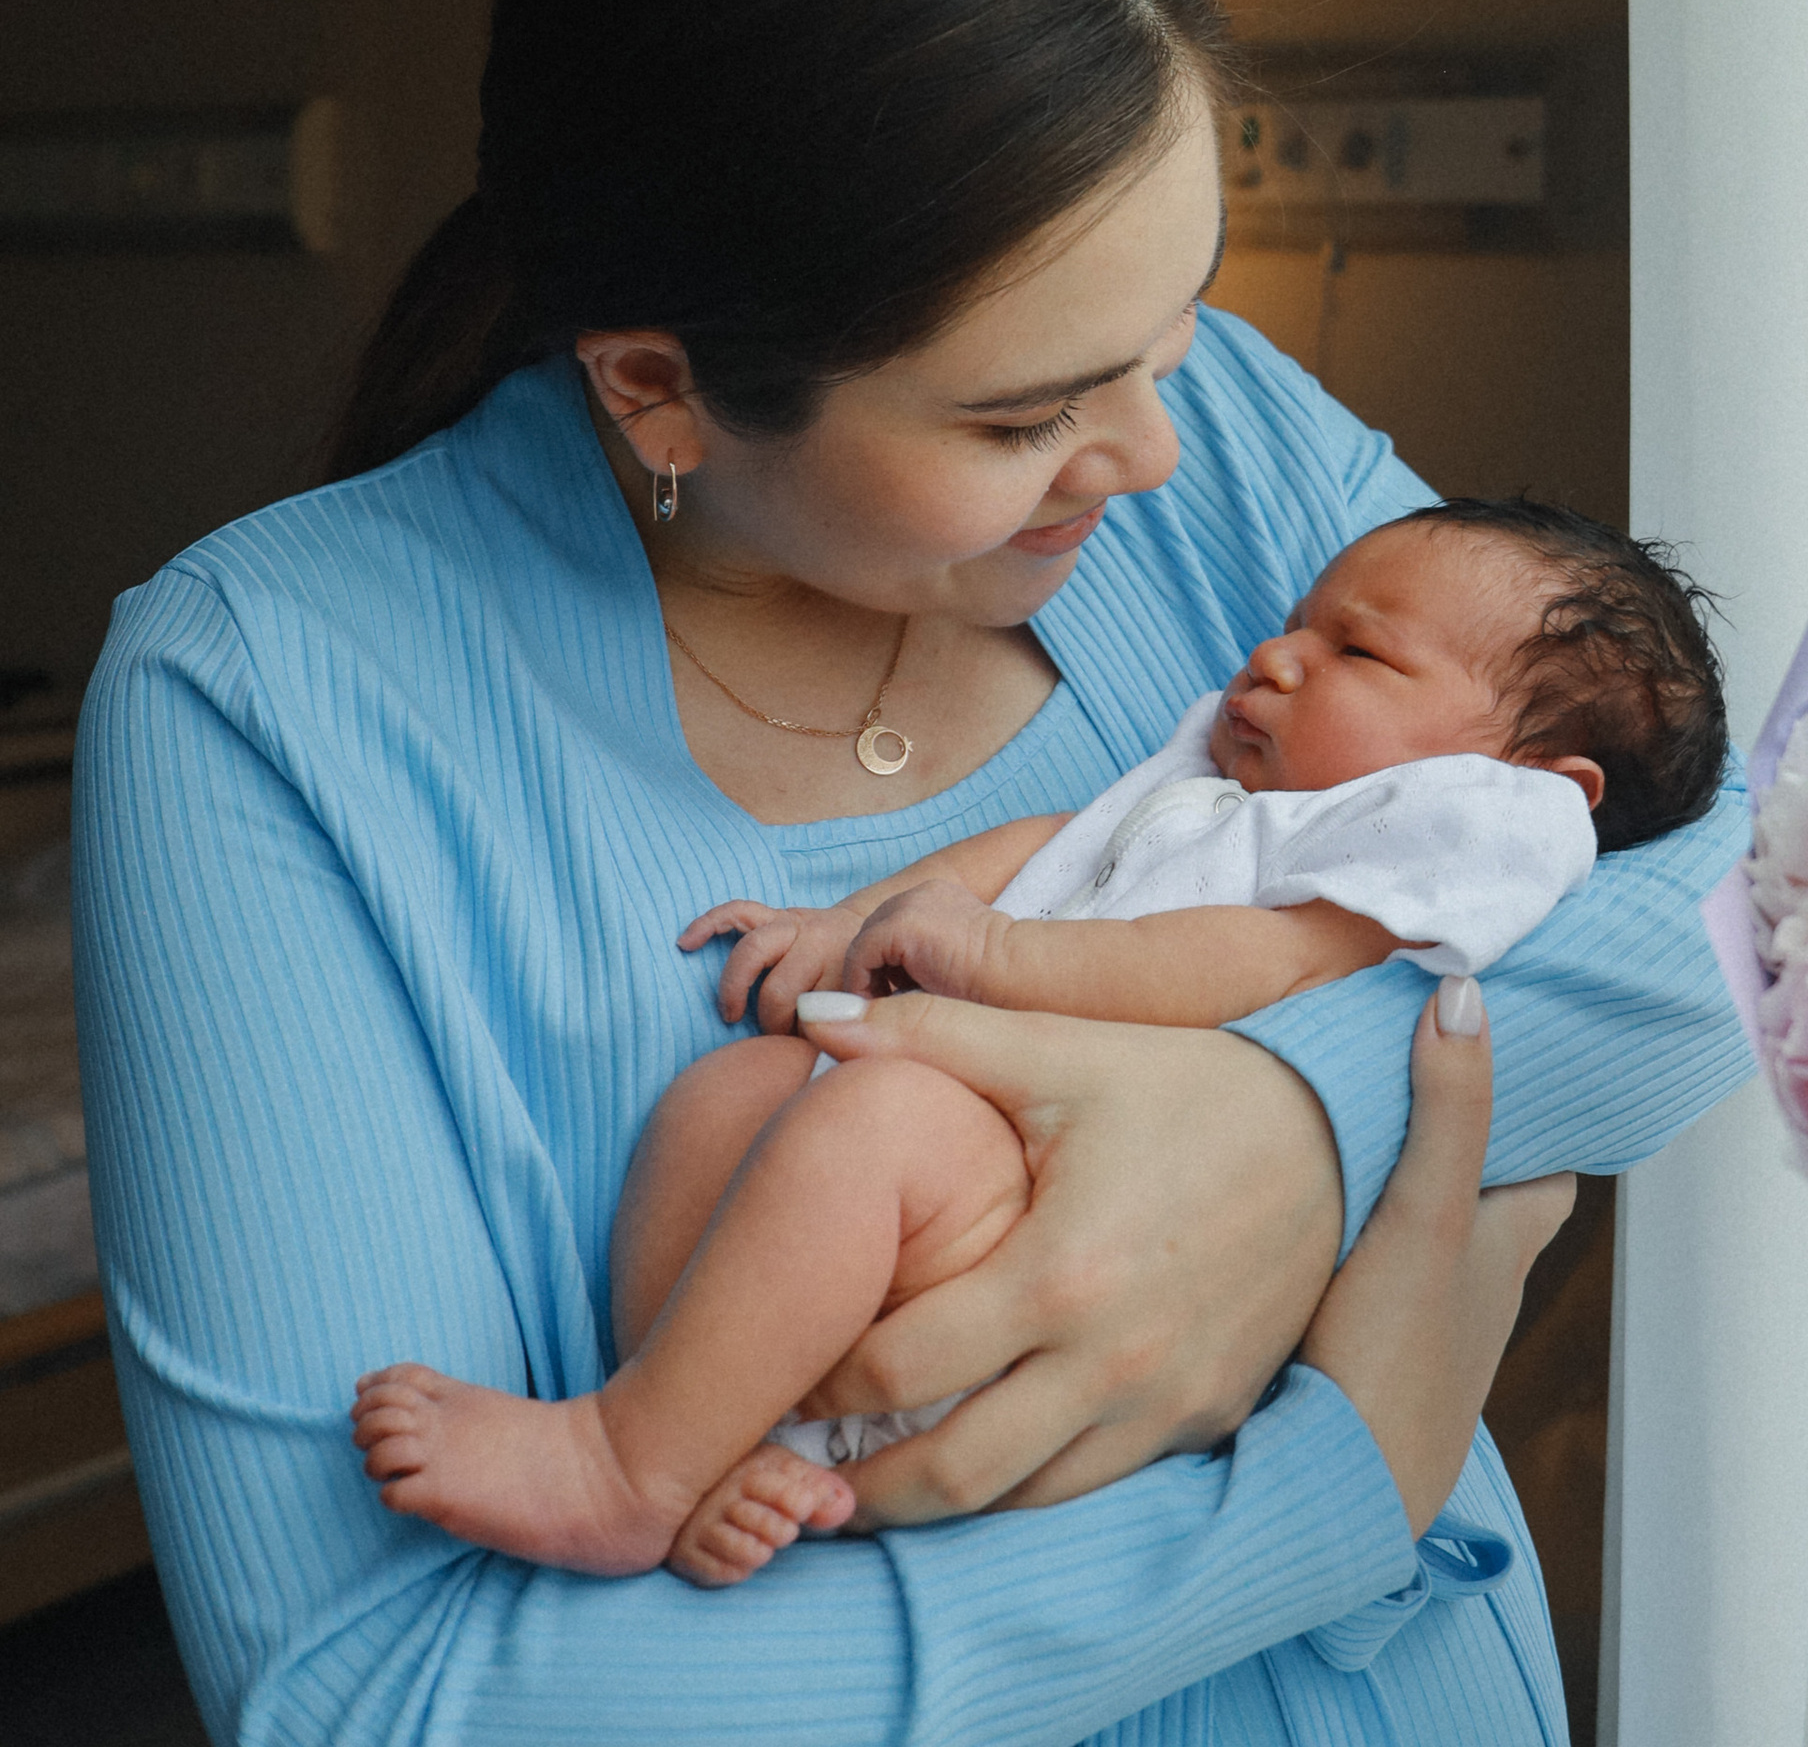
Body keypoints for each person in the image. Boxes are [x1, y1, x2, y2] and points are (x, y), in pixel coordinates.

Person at [73, 0, 1754, 1747]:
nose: (1168, 448)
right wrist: (1322, 1474)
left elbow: (1709, 900)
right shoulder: (282, 695)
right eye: (1015, 414)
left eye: (1178, 323)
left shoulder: (1204, 484)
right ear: (660, 382)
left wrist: (1280, 1130)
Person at [349, 499, 1730, 1584]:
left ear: (1524, 789)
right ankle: (712, 1422)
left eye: (1357, 650)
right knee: (736, 1093)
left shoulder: (1399, 859)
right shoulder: (1219, 779)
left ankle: (623, 1472)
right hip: (957, 1153)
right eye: (1297, 621)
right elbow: (1050, 849)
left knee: (869, 1123)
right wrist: (860, 917)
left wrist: (998, 957)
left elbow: (1238, 968)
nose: (1277, 653)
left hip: (1058, 1200)